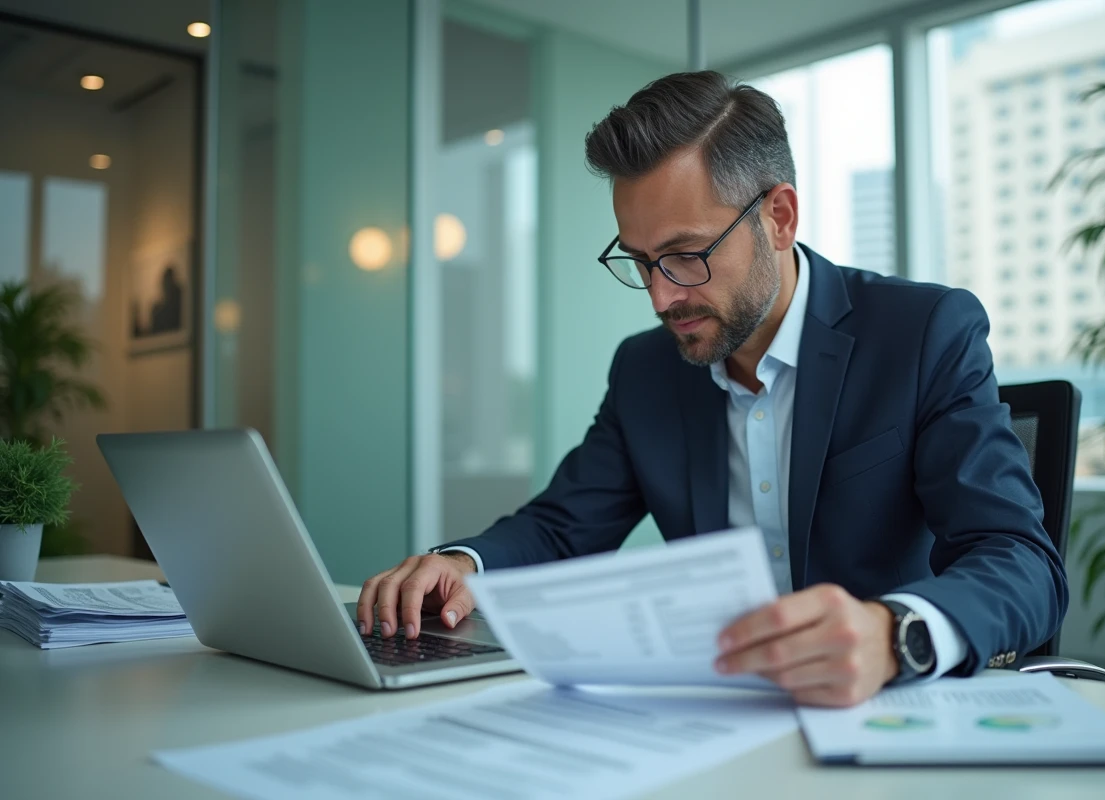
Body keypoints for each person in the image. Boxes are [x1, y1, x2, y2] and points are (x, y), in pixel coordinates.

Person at [358, 71, 1067, 707]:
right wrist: (462, 564)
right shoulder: (645, 370)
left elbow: (1022, 562)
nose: (661, 298)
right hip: (711, 716)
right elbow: (561, 527)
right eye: (640, 262)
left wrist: (894, 632)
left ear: (780, 218)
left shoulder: (921, 333)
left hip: (879, 715)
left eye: (686, 256)